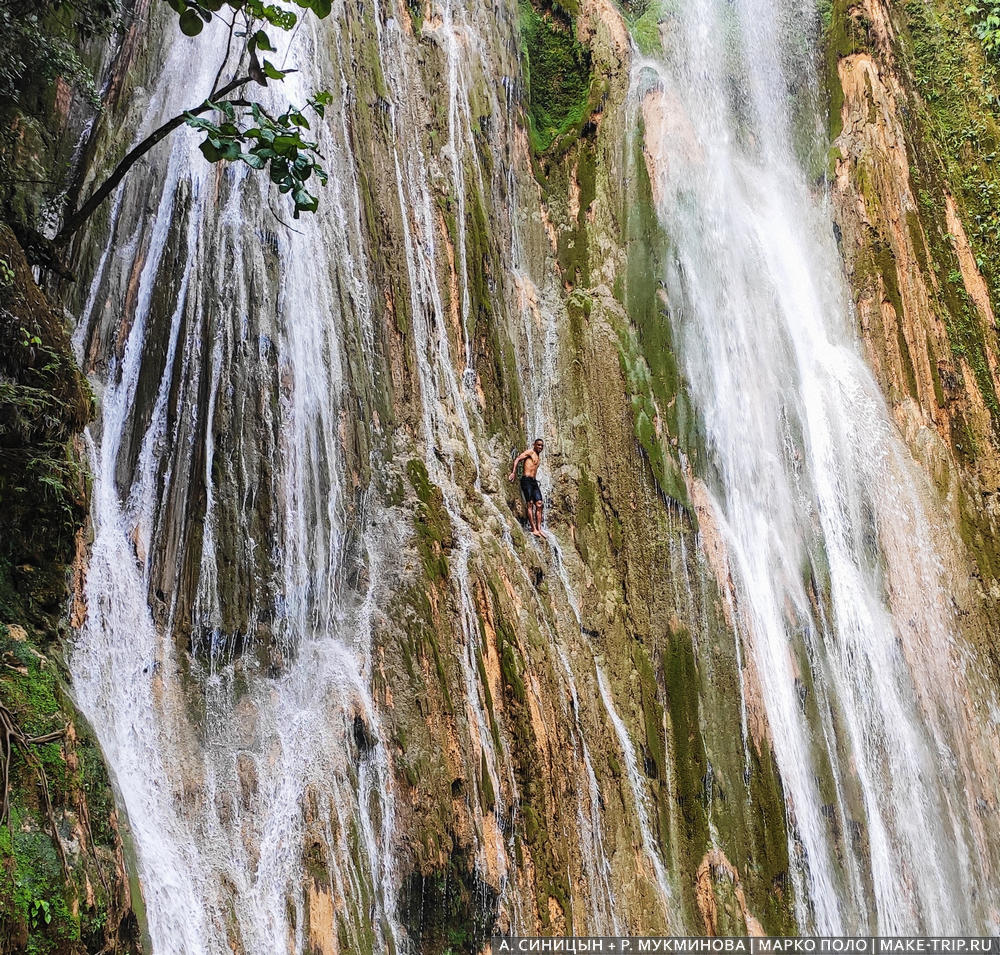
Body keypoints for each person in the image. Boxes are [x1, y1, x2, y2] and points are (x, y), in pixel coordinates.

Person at [509, 438, 545, 536]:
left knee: (539, 504)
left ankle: (539, 528)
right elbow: (518, 459)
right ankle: (534, 529)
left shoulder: (538, 457)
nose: (540, 447)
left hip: (533, 481)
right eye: (538, 445)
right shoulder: (530, 452)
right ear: (534, 445)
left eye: (542, 446)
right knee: (530, 503)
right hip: (526, 480)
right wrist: (513, 472)